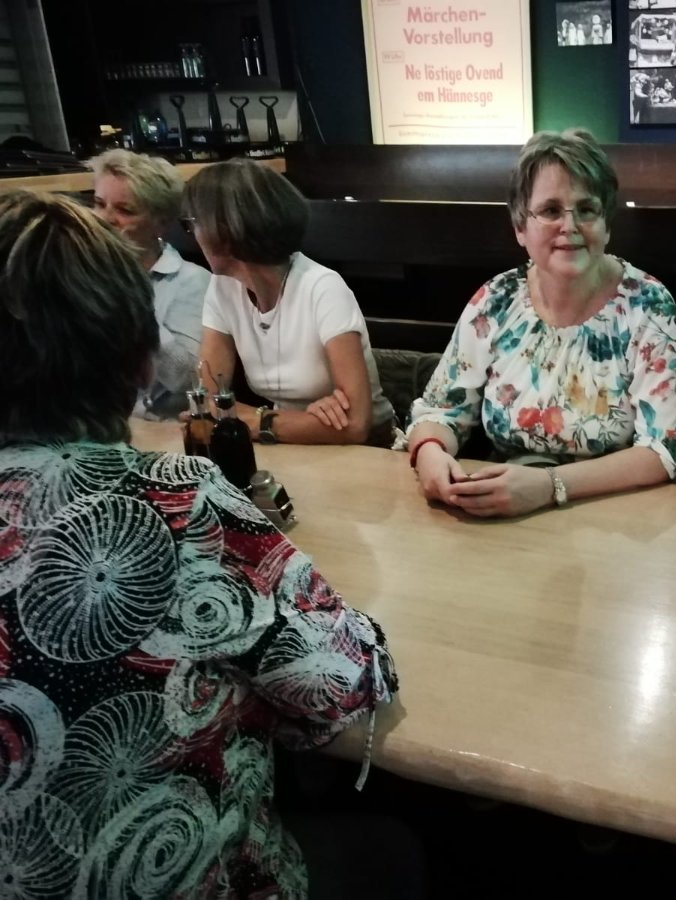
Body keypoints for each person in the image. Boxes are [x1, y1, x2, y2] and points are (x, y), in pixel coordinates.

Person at [0, 190, 398, 897]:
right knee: (391, 850)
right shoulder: (179, 504)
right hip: (203, 881)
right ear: (142, 363)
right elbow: (347, 683)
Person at [406, 128, 676, 518]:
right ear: (520, 228)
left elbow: (661, 451)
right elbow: (441, 411)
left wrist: (549, 486)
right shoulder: (496, 299)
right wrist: (430, 452)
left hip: (620, 513)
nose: (569, 226)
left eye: (587, 209)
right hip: (506, 511)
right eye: (551, 210)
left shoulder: (648, 305)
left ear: (607, 224)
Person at [185, 158, 395, 446]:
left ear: (225, 232)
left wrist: (255, 419)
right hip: (290, 445)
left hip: (370, 448)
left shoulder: (322, 287)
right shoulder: (222, 287)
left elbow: (356, 425)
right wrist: (292, 421)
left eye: (193, 224)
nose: (193, 236)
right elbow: (206, 405)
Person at [88, 149, 209, 420]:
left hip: (159, 429)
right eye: (99, 203)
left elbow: (188, 380)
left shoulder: (191, 281)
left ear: (161, 223)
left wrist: (127, 300)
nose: (105, 219)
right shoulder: (75, 275)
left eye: (124, 210)